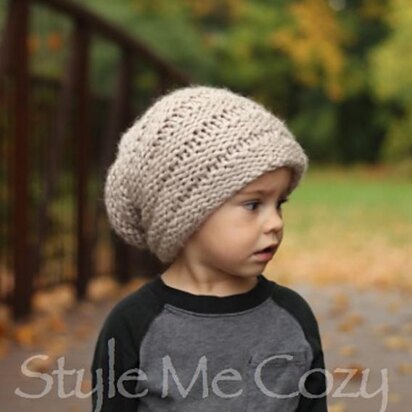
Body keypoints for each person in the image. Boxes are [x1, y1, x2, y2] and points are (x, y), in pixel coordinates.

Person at [91, 86, 328, 412]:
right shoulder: (134, 325)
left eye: (279, 203)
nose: (275, 222)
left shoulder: (292, 318)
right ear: (185, 214)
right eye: (253, 204)